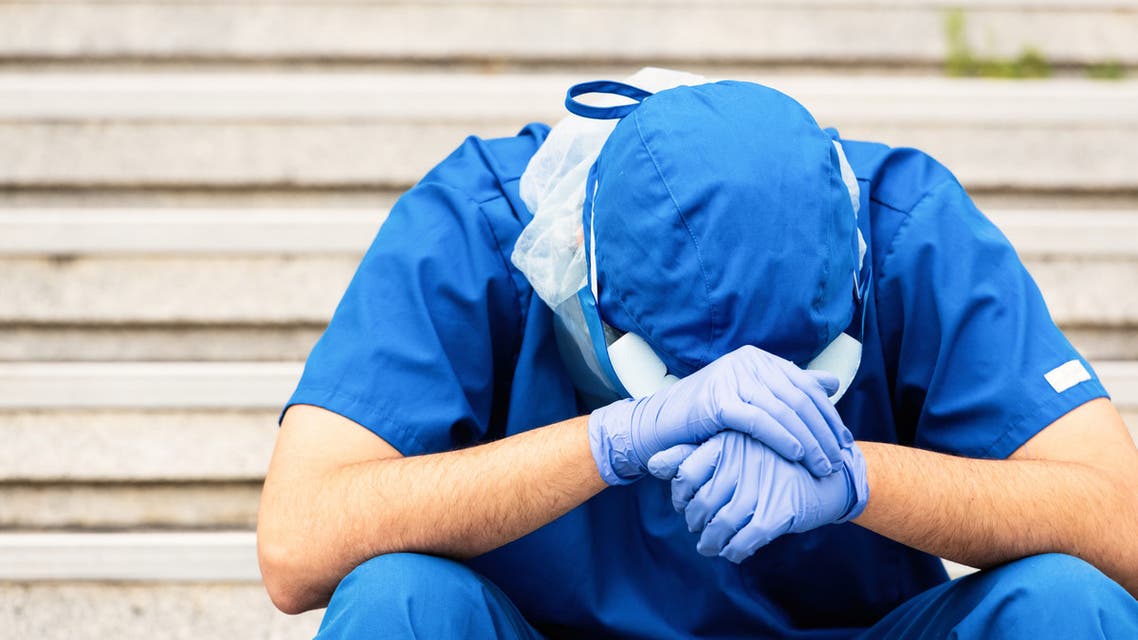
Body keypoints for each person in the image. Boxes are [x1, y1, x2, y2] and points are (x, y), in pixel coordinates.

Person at [257, 68, 1138, 638]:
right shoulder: (478, 227)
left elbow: (1121, 524)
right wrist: (612, 442)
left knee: (1068, 604)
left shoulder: (907, 228)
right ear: (582, 278)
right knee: (399, 604)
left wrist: (856, 480)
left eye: (798, 385)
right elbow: (299, 543)